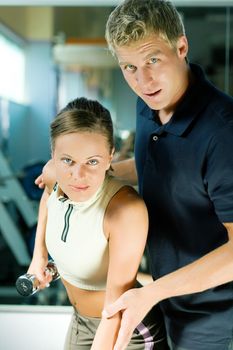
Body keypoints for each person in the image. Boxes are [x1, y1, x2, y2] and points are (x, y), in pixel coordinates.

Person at [35, 1, 233, 349]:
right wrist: (83, 168)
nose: (143, 80)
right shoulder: (150, 103)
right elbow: (155, 166)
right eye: (129, 67)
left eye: (153, 60)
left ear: (181, 47)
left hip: (215, 319)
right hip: (167, 301)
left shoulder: (223, 133)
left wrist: (151, 293)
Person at [28, 96, 168, 349]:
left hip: (127, 327)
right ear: (53, 156)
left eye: (92, 161)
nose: (78, 176)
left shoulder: (125, 210)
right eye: (67, 160)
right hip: (81, 321)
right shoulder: (55, 176)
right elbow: (48, 198)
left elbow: (114, 310)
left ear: (111, 155)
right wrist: (39, 255)